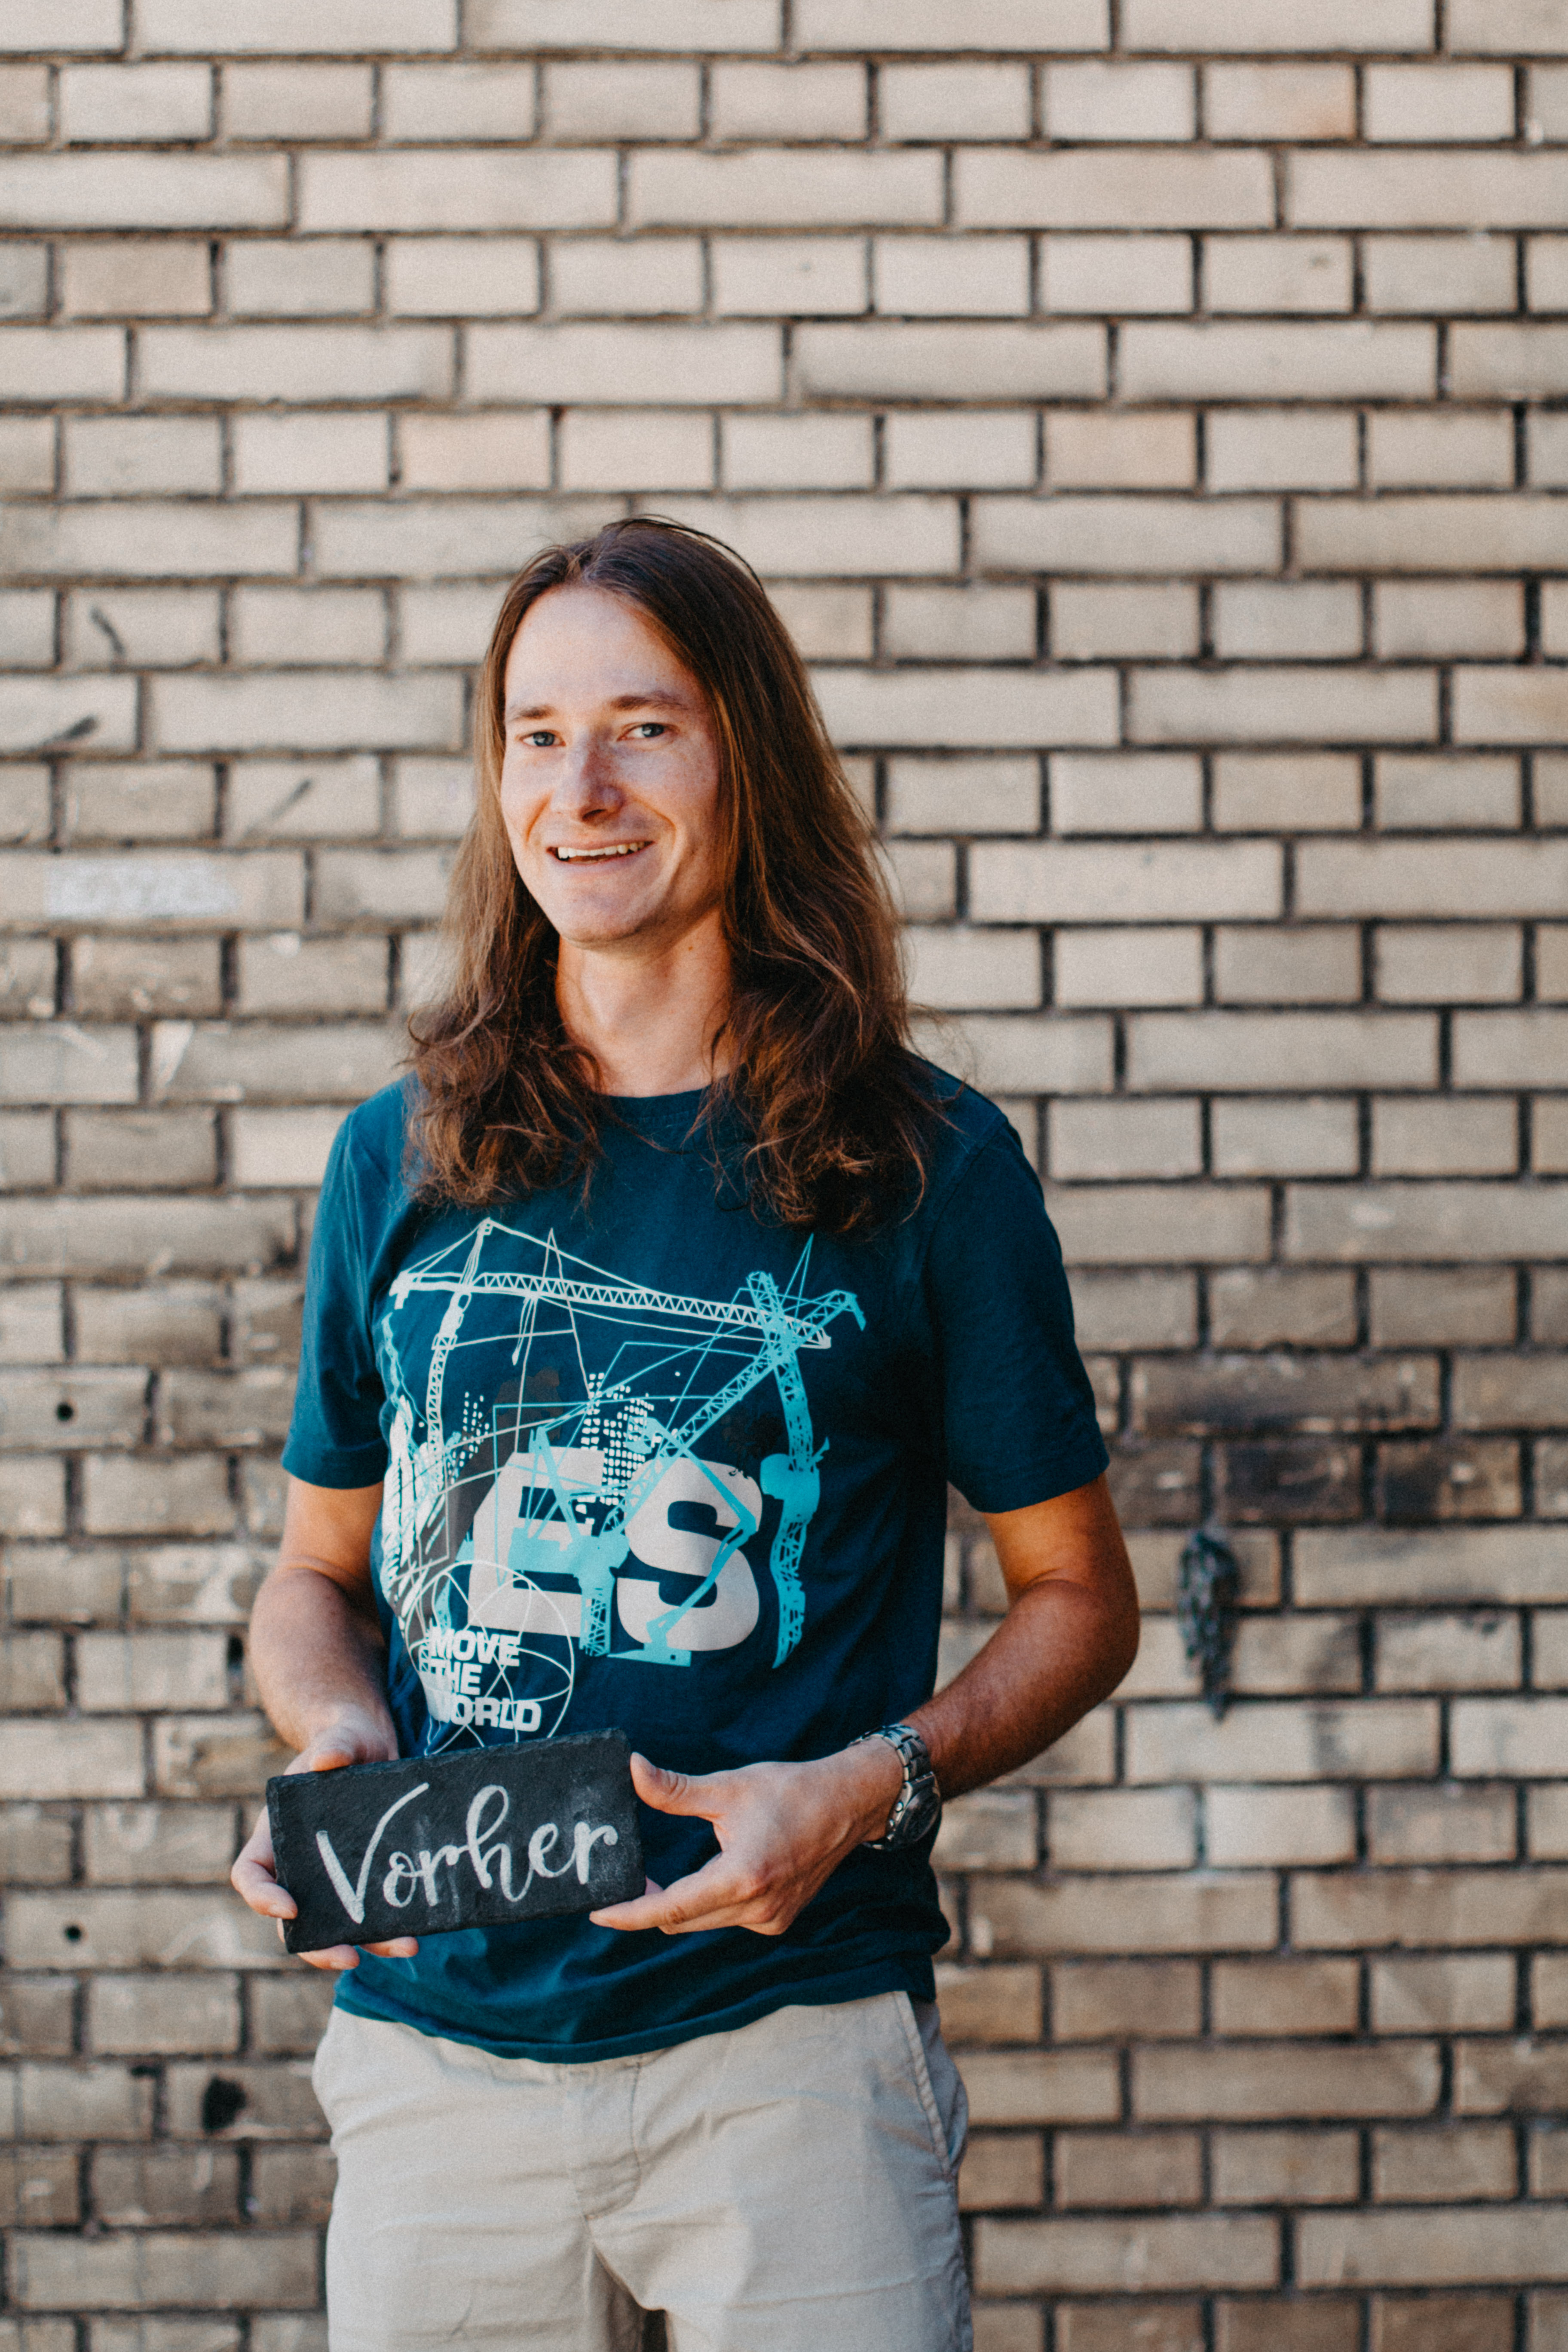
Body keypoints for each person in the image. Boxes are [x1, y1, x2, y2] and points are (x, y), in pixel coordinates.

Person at [232, 517, 1139, 2352]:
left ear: (748, 761)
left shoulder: (931, 1168)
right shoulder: (395, 1157)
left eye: (643, 727)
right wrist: (336, 1736)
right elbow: (316, 1576)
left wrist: (867, 1787)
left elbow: (1080, 1599)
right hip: (442, 2062)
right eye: (537, 733)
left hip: (792, 2052)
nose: (581, 789)